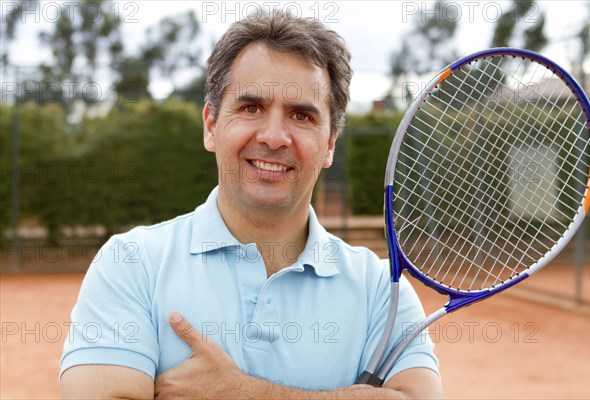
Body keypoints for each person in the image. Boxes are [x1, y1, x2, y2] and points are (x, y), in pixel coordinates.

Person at [60, 9, 443, 399]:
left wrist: (243, 392)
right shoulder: (131, 264)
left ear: (329, 145)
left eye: (301, 115)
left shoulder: (382, 291)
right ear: (211, 125)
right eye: (251, 107)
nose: (275, 137)